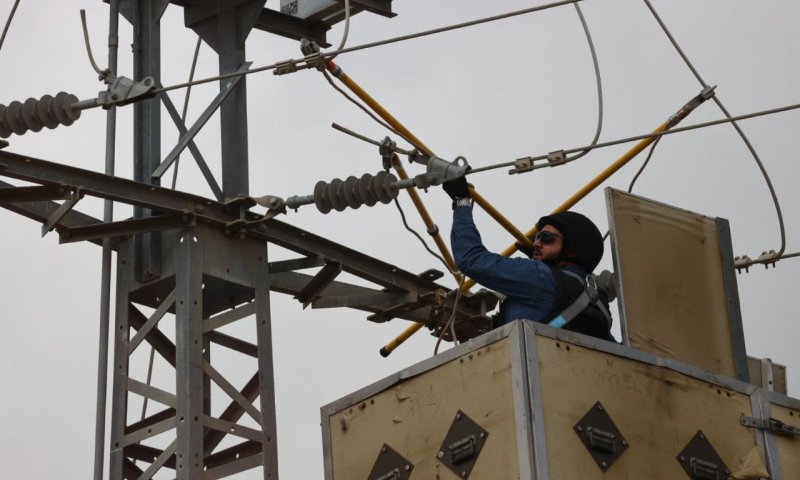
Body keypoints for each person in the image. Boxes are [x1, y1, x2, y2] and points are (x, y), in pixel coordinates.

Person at [443, 176, 615, 342]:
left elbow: (471, 259)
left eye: (546, 238)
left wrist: (462, 202)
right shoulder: (599, 305)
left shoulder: (540, 277)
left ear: (571, 251)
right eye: (536, 238)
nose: (536, 244)